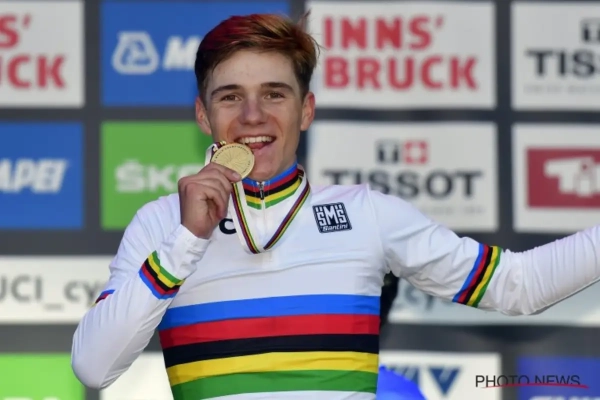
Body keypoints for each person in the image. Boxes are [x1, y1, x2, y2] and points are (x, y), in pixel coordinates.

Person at [71, 11, 600, 400]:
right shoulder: (163, 223)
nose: (253, 115)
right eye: (230, 96)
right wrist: (185, 243)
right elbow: (93, 368)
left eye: (274, 94)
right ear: (203, 116)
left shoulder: (367, 214)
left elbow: (518, 285)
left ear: (306, 111)